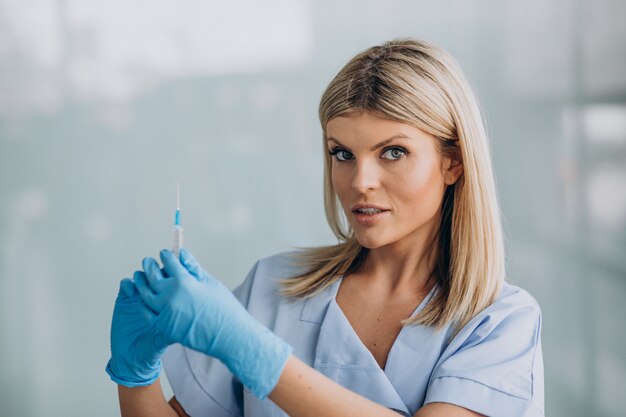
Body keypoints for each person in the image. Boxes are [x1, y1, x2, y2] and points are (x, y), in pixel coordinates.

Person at [105, 38, 544, 417]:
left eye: (392, 152)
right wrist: (136, 373)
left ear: (453, 161)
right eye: (342, 153)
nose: (360, 181)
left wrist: (253, 353)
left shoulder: (499, 322)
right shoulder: (272, 287)